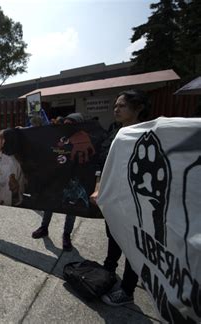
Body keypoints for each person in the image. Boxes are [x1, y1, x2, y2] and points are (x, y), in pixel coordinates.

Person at [91, 89, 150, 307]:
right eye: (115, 105)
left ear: (138, 108)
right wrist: (98, 188)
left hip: (134, 202)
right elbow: (102, 163)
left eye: (121, 106)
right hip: (111, 198)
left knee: (132, 244)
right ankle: (108, 271)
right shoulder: (114, 131)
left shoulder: (147, 134)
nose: (116, 109)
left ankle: (127, 290)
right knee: (113, 235)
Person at [31, 113, 84, 251]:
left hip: (73, 181)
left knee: (71, 208)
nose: (66, 127)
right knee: (50, 203)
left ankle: (66, 235)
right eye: (64, 124)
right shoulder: (58, 138)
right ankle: (44, 228)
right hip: (56, 178)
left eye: (70, 124)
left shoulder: (83, 140)